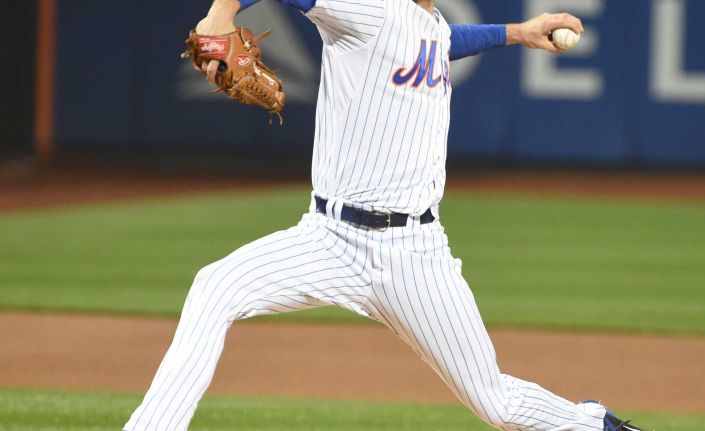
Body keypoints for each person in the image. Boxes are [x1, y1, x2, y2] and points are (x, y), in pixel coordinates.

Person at [124, 1, 643, 430]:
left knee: (496, 403)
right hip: (328, 239)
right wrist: (221, 14)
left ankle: (594, 425)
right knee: (216, 287)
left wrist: (515, 33)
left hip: (416, 258)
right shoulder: (363, 10)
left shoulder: (428, 23)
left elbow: (441, 42)